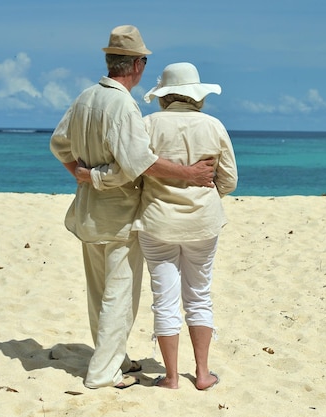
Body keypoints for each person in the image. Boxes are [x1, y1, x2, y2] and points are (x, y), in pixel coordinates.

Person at [49, 26, 215, 390]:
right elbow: (139, 164)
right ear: (137, 64)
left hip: (87, 212)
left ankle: (115, 358)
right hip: (119, 215)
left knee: (99, 293)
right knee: (119, 297)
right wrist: (188, 173)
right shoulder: (123, 104)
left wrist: (81, 175)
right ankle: (104, 373)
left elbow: (59, 145)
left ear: (111, 61)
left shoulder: (85, 97)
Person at [87, 62, 237, 390]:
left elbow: (132, 168)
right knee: (199, 296)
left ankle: (171, 378)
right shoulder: (214, 126)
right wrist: (206, 195)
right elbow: (229, 180)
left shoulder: (148, 124)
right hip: (202, 223)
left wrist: (94, 176)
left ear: (164, 95)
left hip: (157, 222)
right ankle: (201, 374)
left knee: (164, 299)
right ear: (196, 95)